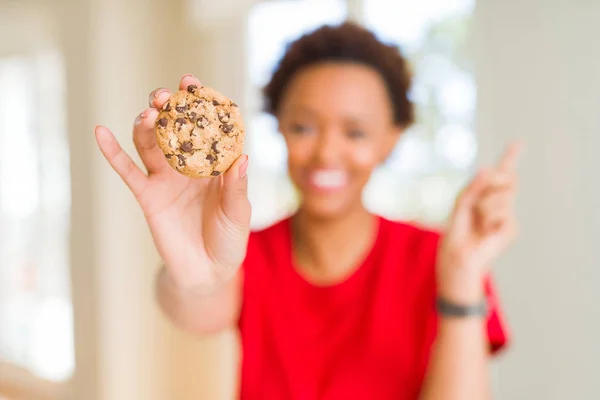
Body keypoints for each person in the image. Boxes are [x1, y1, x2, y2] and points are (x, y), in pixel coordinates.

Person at [95, 22, 521, 400]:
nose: (326, 153)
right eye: (304, 127)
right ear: (278, 125)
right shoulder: (245, 253)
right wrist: (194, 271)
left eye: (355, 131)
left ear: (392, 139)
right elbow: (193, 306)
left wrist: (463, 281)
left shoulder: (440, 259)